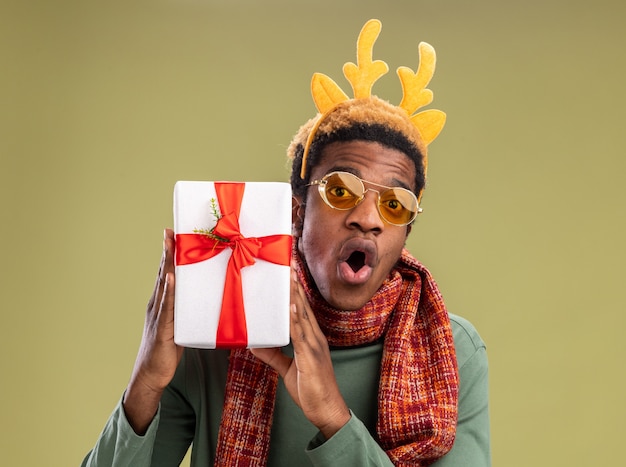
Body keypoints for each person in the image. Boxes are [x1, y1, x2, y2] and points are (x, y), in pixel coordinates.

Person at [82, 19, 490, 467]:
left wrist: (333, 417)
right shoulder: (219, 330)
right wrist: (146, 383)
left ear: (406, 230)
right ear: (297, 212)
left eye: (395, 204)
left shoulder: (450, 348)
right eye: (341, 191)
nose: (368, 219)